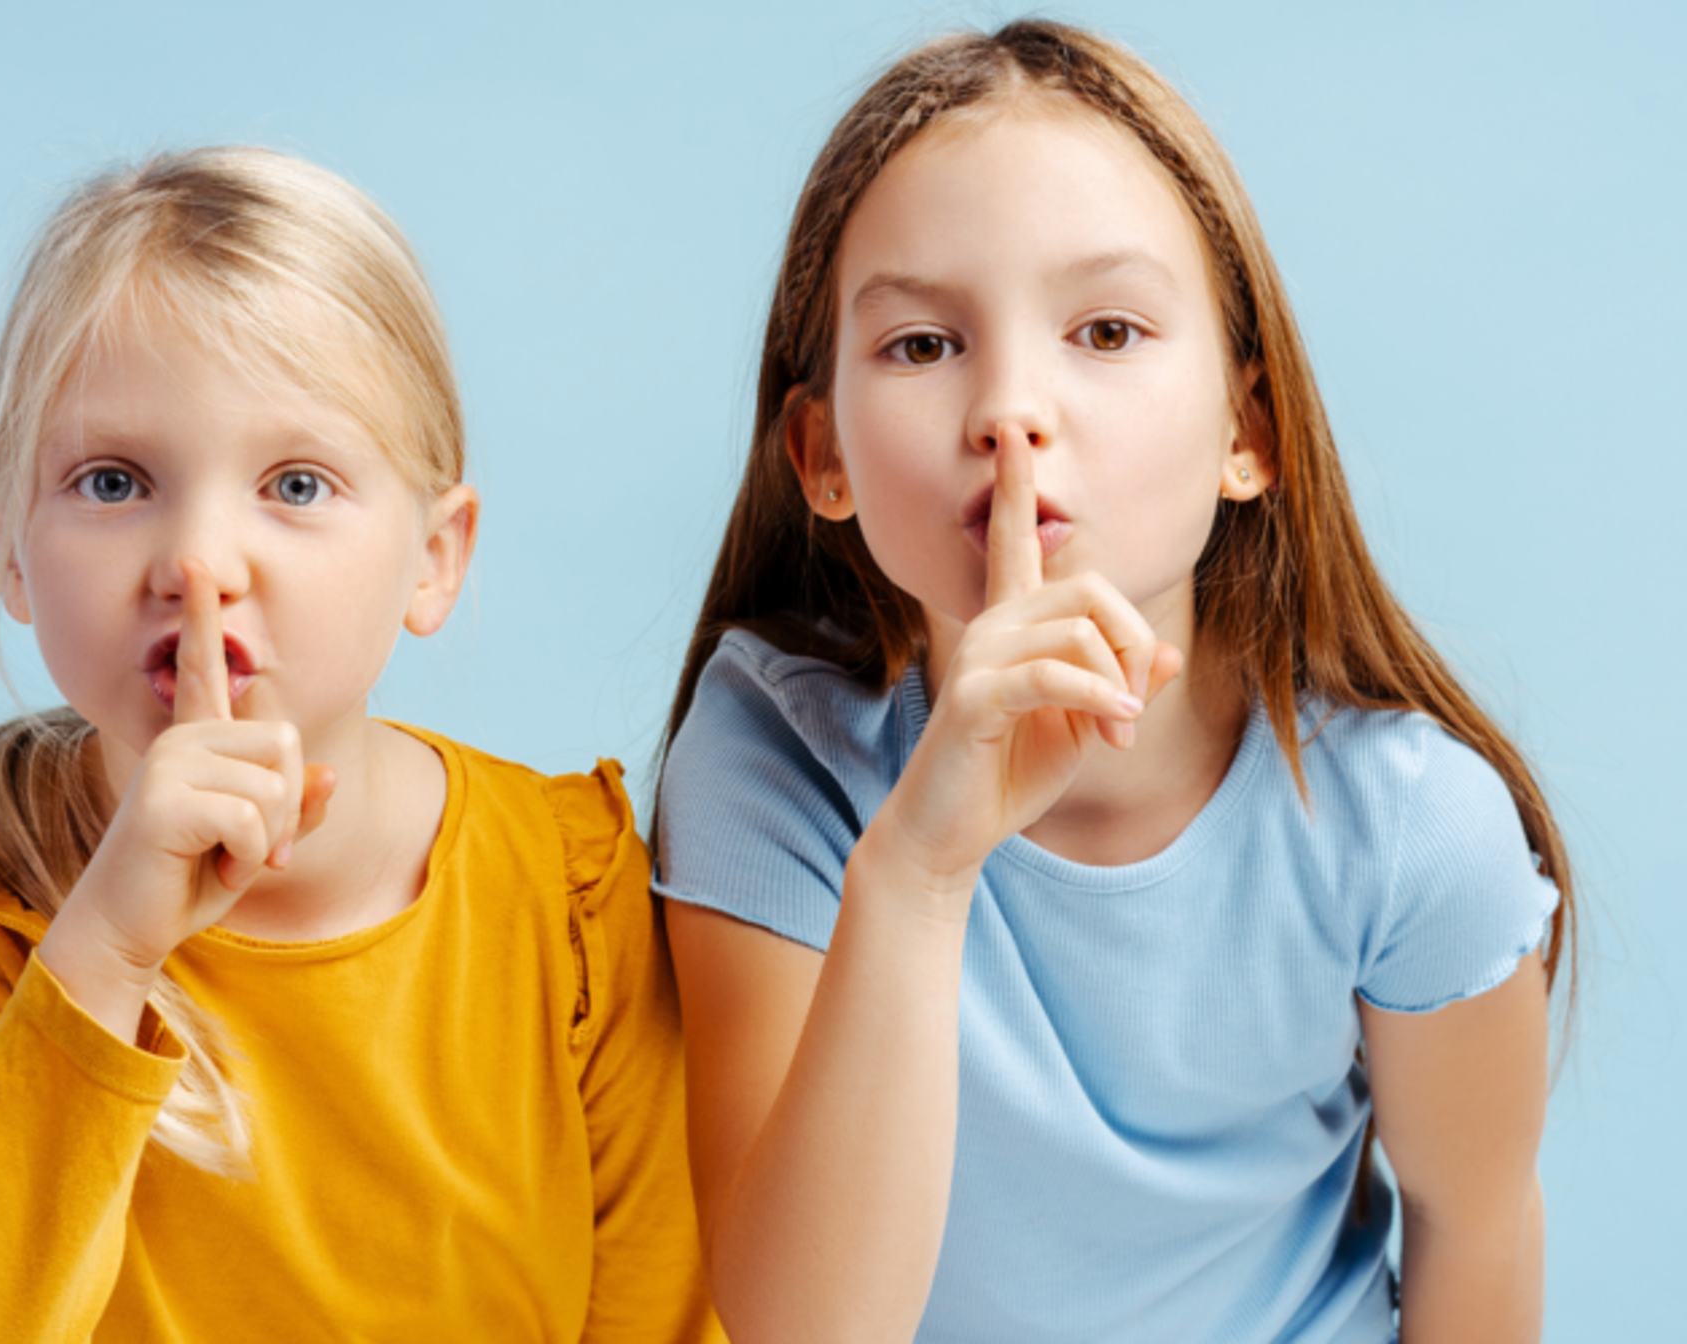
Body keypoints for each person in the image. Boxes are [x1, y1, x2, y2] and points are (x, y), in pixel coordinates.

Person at [653, 20, 1571, 1344]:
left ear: (1246, 435)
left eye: (1107, 329)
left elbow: (1479, 1235)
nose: (1011, 408)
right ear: (821, 456)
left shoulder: (1417, 827)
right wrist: (920, 867)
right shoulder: (772, 757)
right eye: (922, 345)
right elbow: (802, 1327)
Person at [0, 146, 717, 1344]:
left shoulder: (572, 899)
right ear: (7, 547)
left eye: (294, 485)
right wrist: (105, 952)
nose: (200, 562)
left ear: (435, 558)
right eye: (113, 479)